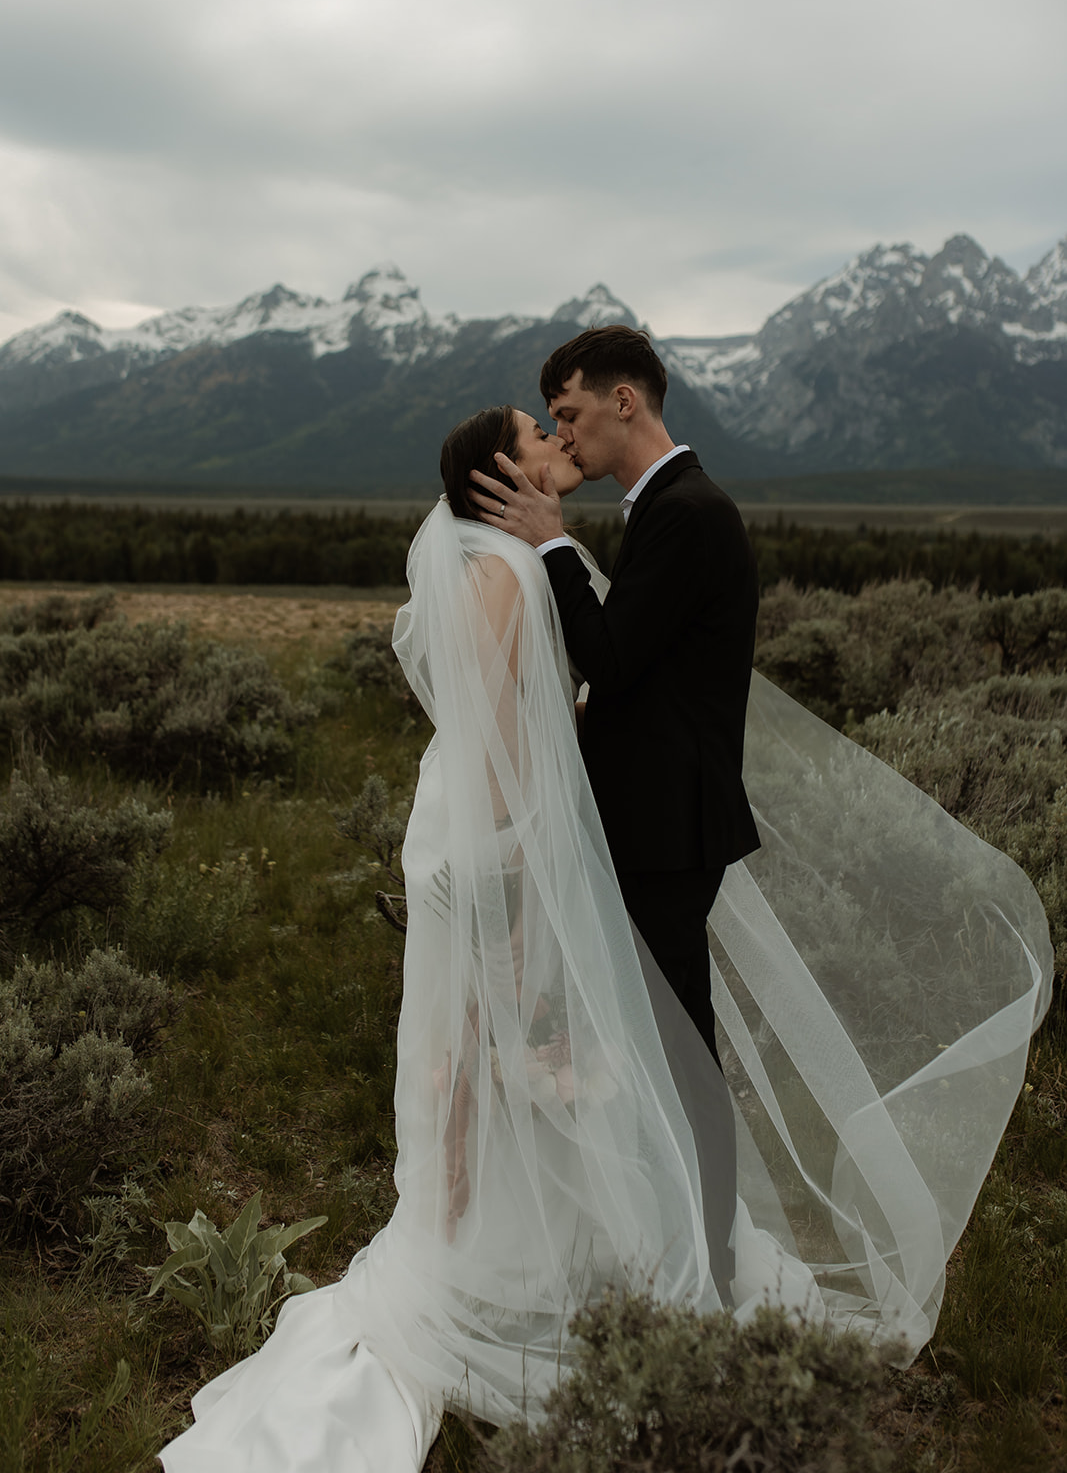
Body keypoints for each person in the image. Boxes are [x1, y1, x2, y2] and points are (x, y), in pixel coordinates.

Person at [160, 404, 1052, 1473]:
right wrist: (515, 870)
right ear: (507, 465)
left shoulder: (519, 558)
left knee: (513, 1050)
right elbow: (494, 737)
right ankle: (462, 1263)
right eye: (538, 429)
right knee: (481, 1050)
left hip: (511, 830)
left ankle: (526, 1254)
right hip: (486, 842)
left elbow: (562, 704)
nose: (556, 438)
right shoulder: (499, 574)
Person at [469, 327, 758, 1068]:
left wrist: (550, 543)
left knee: (675, 1038)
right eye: (553, 422)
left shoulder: (686, 511)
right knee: (655, 1034)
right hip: (655, 818)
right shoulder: (669, 505)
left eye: (566, 414)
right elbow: (660, 675)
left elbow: (611, 658)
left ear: (621, 401)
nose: (563, 436)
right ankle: (683, 1183)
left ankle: (701, 1185)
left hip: (668, 826)